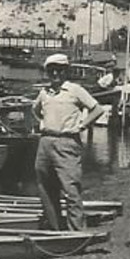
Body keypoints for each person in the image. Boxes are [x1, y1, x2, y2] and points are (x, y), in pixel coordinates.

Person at [32, 53, 107, 231]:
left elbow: (97, 109)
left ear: (65, 71)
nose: (55, 74)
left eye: (59, 70)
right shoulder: (44, 93)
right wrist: (42, 124)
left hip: (67, 142)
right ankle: (55, 228)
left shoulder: (75, 90)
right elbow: (35, 110)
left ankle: (77, 231)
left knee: (71, 188)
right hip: (45, 142)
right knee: (46, 187)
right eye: (51, 71)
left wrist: (82, 125)